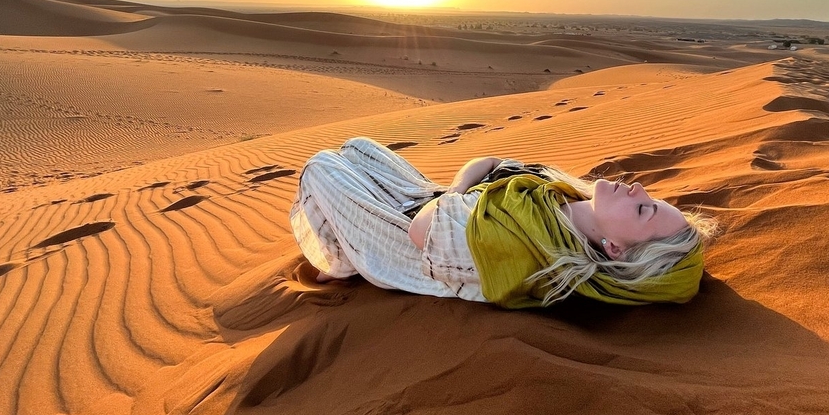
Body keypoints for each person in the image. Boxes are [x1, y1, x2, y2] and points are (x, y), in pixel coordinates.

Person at [289, 137, 717, 309]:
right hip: (433, 199)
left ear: (615, 249)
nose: (639, 189)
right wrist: (456, 193)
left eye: (644, 210)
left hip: (393, 239)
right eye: (651, 199)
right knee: (357, 147)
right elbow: (491, 162)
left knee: (321, 166)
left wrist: (459, 196)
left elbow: (422, 233)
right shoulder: (559, 191)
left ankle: (343, 264)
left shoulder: (530, 246)